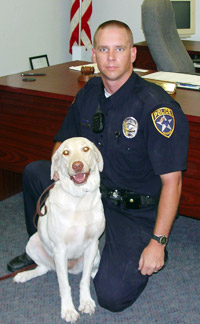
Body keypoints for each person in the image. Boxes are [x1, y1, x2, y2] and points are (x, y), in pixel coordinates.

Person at [7, 20, 189, 312]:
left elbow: (173, 182)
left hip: (132, 211)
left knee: (112, 296)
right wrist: (59, 172)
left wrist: (158, 242)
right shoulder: (89, 92)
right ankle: (45, 246)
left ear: (132, 54)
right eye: (104, 49)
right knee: (34, 172)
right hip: (91, 194)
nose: (111, 57)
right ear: (94, 54)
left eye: (119, 49)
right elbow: (61, 143)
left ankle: (128, 248)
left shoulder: (155, 107)